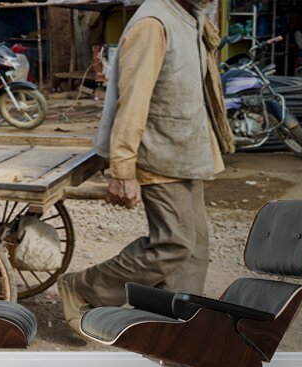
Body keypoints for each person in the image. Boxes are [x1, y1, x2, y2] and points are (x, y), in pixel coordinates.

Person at [56, 0, 234, 336]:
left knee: (195, 247)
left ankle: (177, 320)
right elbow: (133, 99)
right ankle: (83, 288)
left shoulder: (188, 16)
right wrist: (122, 168)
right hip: (158, 152)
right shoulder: (154, 22)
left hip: (185, 152)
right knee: (174, 243)